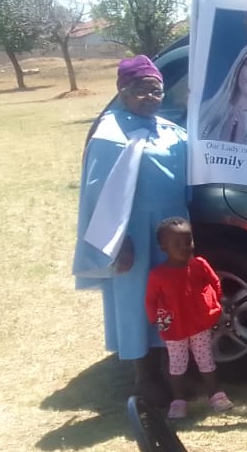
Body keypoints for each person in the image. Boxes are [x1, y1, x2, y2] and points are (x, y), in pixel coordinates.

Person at [73, 55, 188, 403]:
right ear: (122, 91)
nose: (150, 97)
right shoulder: (109, 135)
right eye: (141, 90)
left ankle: (173, 370)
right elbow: (98, 194)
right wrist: (117, 241)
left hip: (172, 230)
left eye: (156, 90)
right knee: (138, 301)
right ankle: (145, 378)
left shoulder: (170, 130)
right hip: (134, 232)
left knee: (171, 298)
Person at [145, 217, 233, 419]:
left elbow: (214, 282)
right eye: (177, 244)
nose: (185, 247)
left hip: (198, 324)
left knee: (205, 358)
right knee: (177, 364)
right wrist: (154, 318)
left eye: (188, 241)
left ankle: (215, 395)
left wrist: (214, 301)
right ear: (163, 247)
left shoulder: (200, 264)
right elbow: (150, 299)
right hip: (174, 328)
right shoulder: (158, 275)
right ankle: (178, 401)